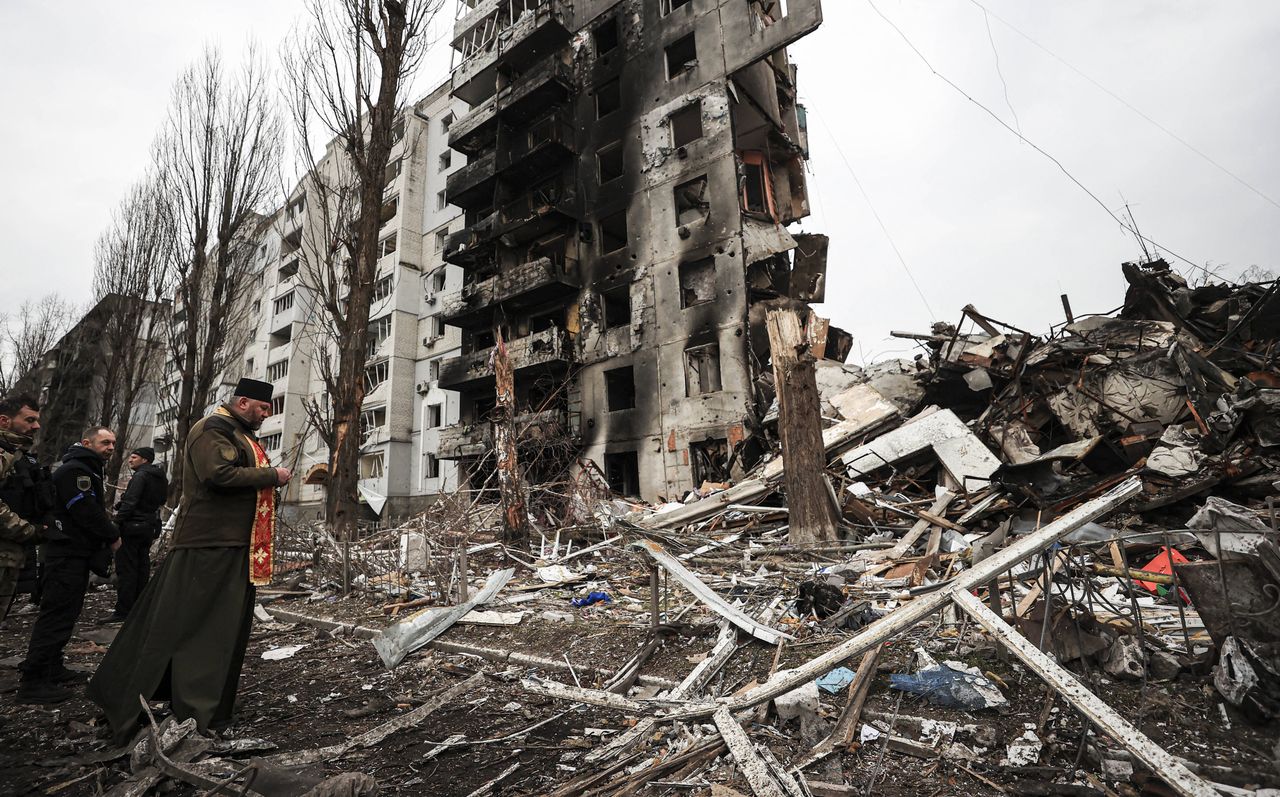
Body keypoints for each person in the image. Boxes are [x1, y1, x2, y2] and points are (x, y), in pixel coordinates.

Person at [89, 379, 290, 742]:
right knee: (205, 631)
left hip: (229, 545)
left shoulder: (236, 432)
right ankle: (195, 710)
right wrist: (272, 475)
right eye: (263, 407)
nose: (267, 413)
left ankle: (205, 706)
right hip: (210, 545)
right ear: (243, 402)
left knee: (218, 629)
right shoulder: (212, 429)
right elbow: (219, 474)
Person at [18, 426, 120, 704]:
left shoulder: (87, 468)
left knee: (65, 615)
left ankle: (52, 668)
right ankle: (34, 681)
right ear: (87, 442)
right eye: (104, 442)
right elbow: (85, 509)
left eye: (113, 443)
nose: (110, 448)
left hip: (73, 555)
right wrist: (112, 535)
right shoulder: (76, 471)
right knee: (56, 617)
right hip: (66, 555)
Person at [0, 395, 53, 621]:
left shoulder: (17, 456)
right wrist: (29, 530)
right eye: (29, 420)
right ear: (4, 421)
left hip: (10, 556)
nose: (36, 426)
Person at [110, 446, 167, 620]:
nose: (130, 460)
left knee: (127, 569)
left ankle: (123, 611)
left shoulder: (141, 476)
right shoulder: (160, 477)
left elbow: (131, 501)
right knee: (142, 568)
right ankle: (139, 609)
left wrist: (117, 521)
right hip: (149, 526)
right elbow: (160, 500)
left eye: (134, 457)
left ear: (145, 460)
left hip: (132, 526)